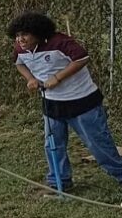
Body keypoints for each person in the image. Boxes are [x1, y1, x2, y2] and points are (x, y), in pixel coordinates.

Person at [8, 11, 122, 190]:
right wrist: (30, 79)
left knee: (98, 144)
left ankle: (120, 174)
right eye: (17, 36)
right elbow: (19, 63)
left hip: (83, 102)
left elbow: (82, 58)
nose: (20, 39)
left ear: (37, 33)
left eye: (25, 34)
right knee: (53, 145)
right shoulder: (20, 49)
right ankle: (59, 182)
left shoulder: (59, 42)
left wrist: (58, 77)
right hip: (52, 104)